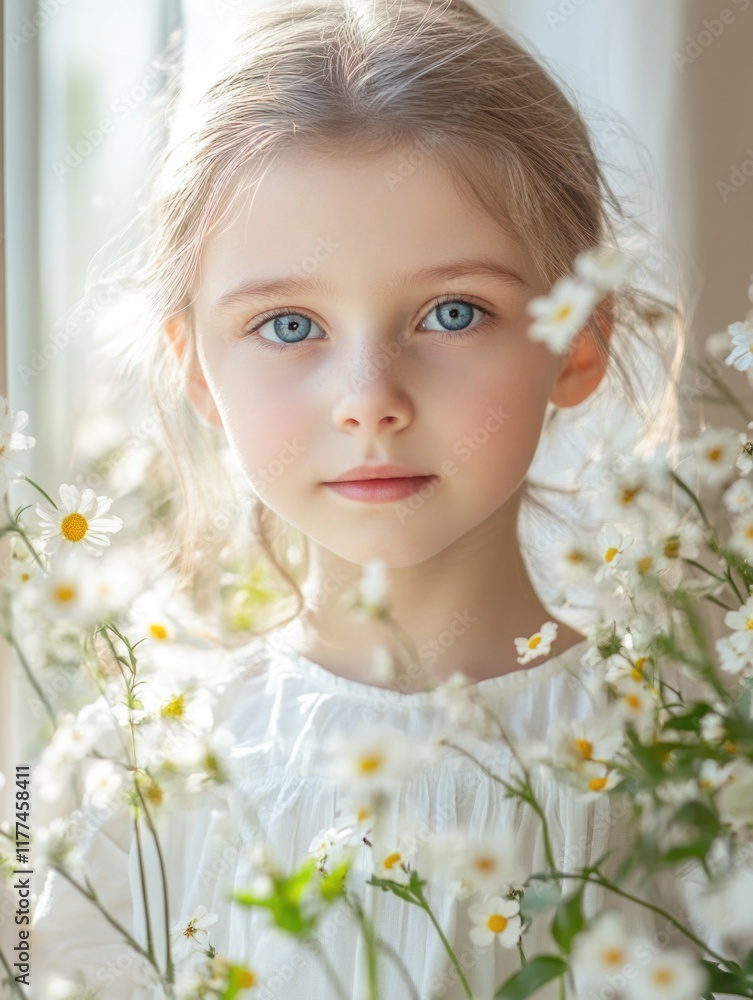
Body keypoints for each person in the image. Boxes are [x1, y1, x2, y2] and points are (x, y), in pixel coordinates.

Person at [30, 1, 712, 998]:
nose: (371, 402)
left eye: (451, 312)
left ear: (577, 339)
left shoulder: (682, 762)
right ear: (196, 368)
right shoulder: (126, 781)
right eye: (290, 325)